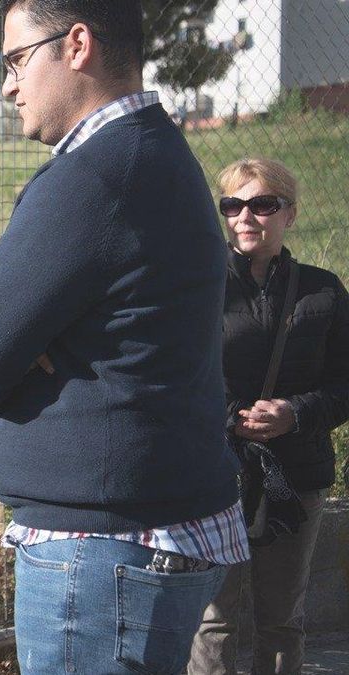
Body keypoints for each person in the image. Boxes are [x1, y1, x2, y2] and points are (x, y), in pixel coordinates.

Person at [0, 2, 250, 673]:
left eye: (17, 60)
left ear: (76, 45)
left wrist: (29, 345)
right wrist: (35, 344)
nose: (9, 85)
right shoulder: (151, 153)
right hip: (143, 538)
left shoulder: (95, 176)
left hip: (101, 554)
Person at [188, 158, 349, 675]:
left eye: (262, 205)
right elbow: (171, 377)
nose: (245, 217)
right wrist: (228, 417)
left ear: (290, 214)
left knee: (282, 620)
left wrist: (296, 413)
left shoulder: (323, 291)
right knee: (212, 619)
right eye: (233, 205)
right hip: (215, 475)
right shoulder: (198, 286)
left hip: (295, 479)